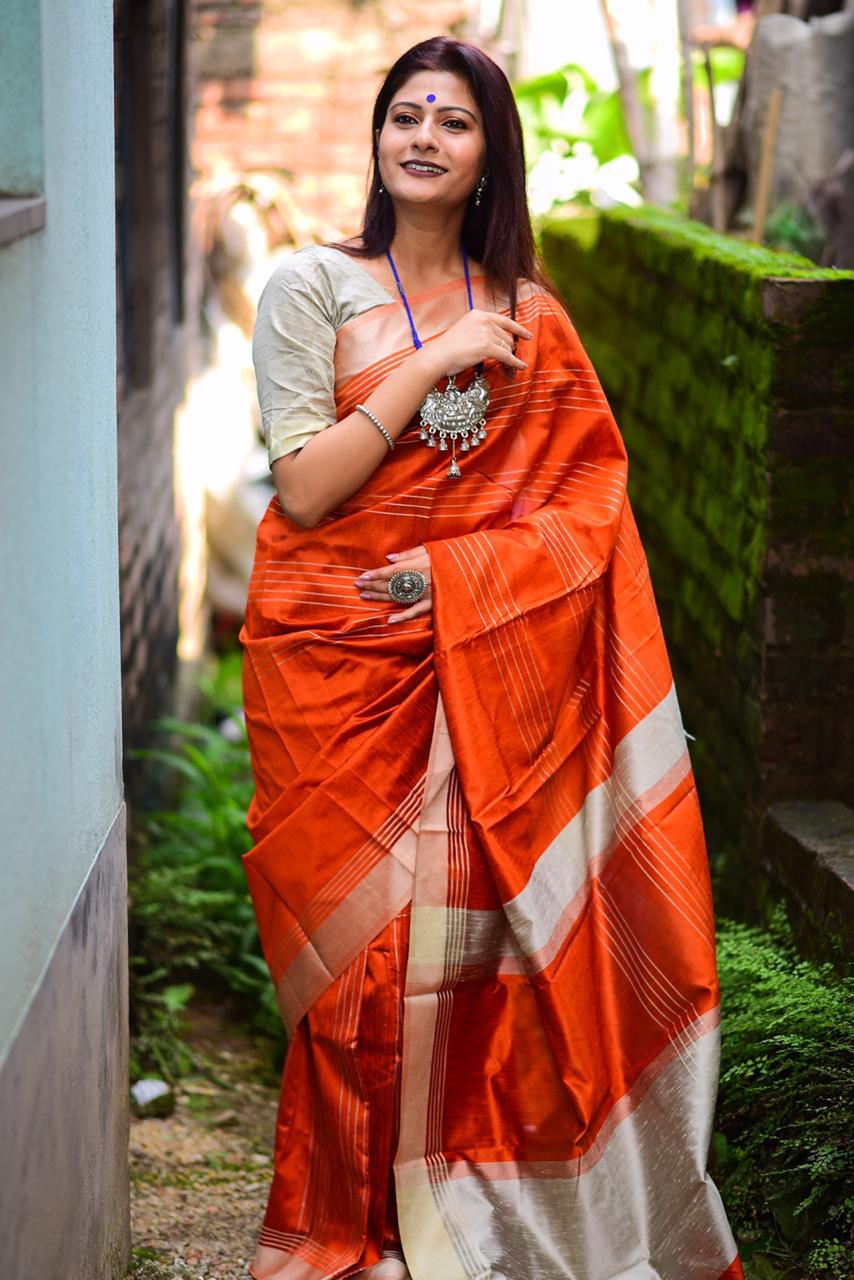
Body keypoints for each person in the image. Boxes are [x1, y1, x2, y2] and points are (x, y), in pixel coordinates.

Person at [239, 34, 745, 1280]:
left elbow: (585, 512)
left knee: (464, 961)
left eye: (451, 121)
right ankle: (349, 1224)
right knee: (356, 965)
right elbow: (304, 490)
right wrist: (426, 364)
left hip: (480, 680)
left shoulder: (532, 319)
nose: (420, 134)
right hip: (337, 662)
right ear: (374, 142)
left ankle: (461, 1217)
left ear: (485, 159)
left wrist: (456, 579)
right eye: (402, 113)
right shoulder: (309, 287)